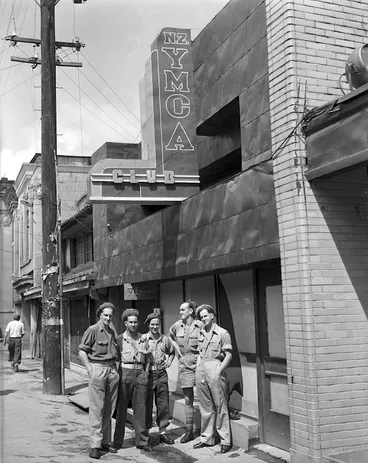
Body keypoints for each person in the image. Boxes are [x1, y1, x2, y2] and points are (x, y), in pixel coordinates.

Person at [79, 302, 120, 460]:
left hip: (111, 371)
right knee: (97, 408)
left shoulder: (111, 331)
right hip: (98, 369)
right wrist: (90, 369)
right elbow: (83, 351)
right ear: (100, 315)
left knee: (109, 409)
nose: (108, 318)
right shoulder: (93, 330)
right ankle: (95, 445)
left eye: (110, 315)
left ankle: (105, 441)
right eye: (105, 315)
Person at [110, 308, 152, 453]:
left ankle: (142, 441)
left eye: (135, 322)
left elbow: (148, 359)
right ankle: (117, 442)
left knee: (141, 409)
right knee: (121, 410)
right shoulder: (120, 340)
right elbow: (115, 359)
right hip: (125, 373)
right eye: (131, 322)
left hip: (140, 373)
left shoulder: (144, 339)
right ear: (126, 323)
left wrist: (145, 373)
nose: (134, 324)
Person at [193, 304, 233, 454]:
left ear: (212, 316)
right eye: (201, 317)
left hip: (215, 368)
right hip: (201, 369)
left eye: (205, 315)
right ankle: (207, 438)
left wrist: (219, 371)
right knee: (205, 406)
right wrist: (198, 367)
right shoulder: (201, 332)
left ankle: (225, 440)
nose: (203, 319)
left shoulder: (222, 333)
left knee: (220, 405)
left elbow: (228, 355)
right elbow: (199, 352)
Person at [168, 300, 202, 443]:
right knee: (188, 398)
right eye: (180, 310)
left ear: (190, 311)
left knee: (206, 398)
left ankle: (210, 431)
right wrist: (176, 348)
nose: (180, 312)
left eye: (183, 310)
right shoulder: (177, 325)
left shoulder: (200, 325)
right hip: (185, 365)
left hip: (200, 364)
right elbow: (170, 336)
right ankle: (189, 431)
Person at [144, 312, 175, 445]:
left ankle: (162, 432)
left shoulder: (165, 339)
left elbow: (172, 351)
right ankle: (145, 433)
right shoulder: (143, 339)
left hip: (161, 374)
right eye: (152, 324)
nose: (155, 327)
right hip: (148, 374)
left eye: (157, 324)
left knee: (163, 404)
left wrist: (169, 361)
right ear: (148, 325)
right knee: (146, 404)